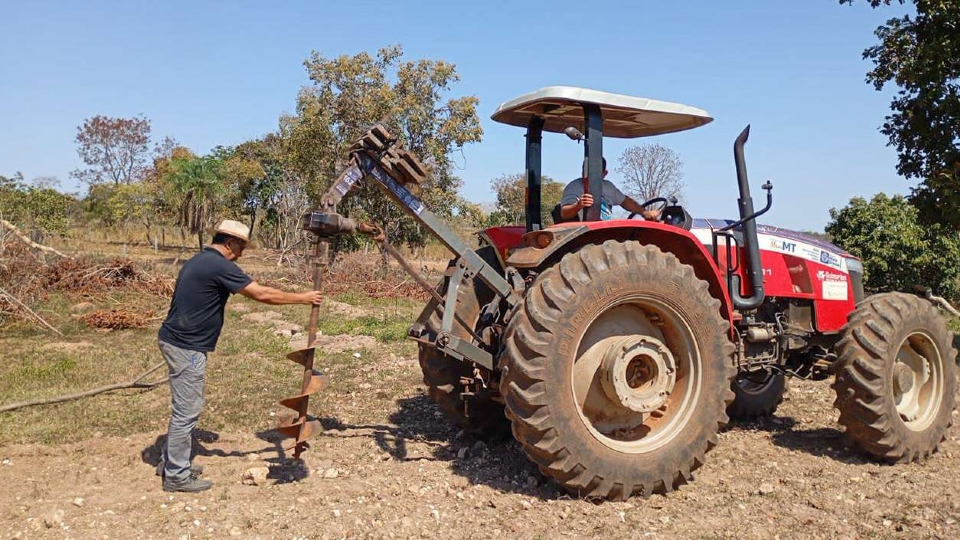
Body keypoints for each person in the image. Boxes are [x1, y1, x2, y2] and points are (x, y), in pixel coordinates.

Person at [156, 219, 323, 493]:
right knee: (186, 412)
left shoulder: (200, 260)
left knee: (183, 410)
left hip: (178, 341)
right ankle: (176, 475)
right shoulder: (219, 265)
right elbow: (261, 294)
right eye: (241, 247)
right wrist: (304, 298)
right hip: (187, 346)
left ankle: (173, 463)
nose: (242, 253)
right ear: (230, 242)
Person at [559, 157, 661, 221]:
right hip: (585, 231)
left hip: (605, 228)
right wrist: (578, 205)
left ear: (604, 173)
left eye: (595, 172)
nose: (590, 176)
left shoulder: (607, 186)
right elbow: (564, 213)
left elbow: (625, 201)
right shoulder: (575, 187)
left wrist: (645, 212)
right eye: (586, 171)